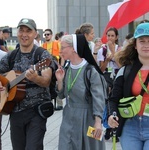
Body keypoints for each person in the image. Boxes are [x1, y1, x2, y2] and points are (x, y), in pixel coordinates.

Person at [0, 18, 52, 150]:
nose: (24, 34)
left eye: (28, 31)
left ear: (35, 34)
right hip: (15, 112)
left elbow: (46, 81)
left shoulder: (42, 55)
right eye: (21, 30)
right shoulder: (11, 56)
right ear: (17, 33)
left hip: (36, 112)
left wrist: (35, 79)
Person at [55, 34, 106, 150]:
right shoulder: (67, 68)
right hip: (68, 116)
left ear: (73, 48)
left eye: (63, 47)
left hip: (88, 117)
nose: (60, 50)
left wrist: (98, 122)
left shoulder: (90, 71)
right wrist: (59, 81)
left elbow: (99, 97)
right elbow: (61, 95)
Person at [108, 22, 149, 150]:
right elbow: (114, 98)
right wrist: (112, 115)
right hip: (130, 126)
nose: (146, 45)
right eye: (142, 41)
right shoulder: (126, 70)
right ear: (135, 45)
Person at [97, 27, 120, 141]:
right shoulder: (102, 50)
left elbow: (121, 66)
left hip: (117, 76)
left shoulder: (120, 49)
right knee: (107, 100)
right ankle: (107, 126)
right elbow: (101, 69)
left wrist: (114, 53)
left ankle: (115, 128)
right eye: (108, 35)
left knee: (117, 100)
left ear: (116, 37)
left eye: (112, 36)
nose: (110, 38)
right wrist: (106, 60)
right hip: (107, 77)